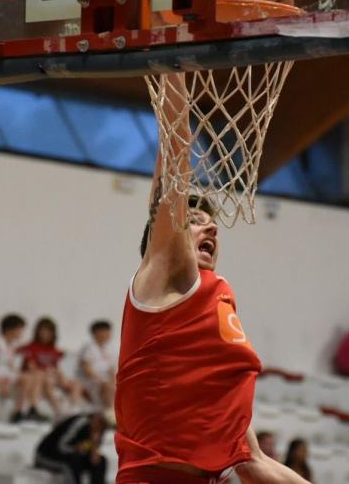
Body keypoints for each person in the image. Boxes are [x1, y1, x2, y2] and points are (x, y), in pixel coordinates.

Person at [115, 73, 309, 484]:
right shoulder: (163, 277)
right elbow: (175, 155)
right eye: (197, 221)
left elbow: (252, 460)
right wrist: (174, 64)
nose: (212, 229)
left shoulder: (216, 298)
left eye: (212, 223)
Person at [0, 313, 43, 423]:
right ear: (10, 329)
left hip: (8, 374)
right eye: (20, 330)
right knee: (26, 379)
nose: (21, 333)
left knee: (37, 375)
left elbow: (13, 365)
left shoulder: (14, 344)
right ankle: (18, 412)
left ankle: (32, 409)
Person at [21, 317, 84, 418]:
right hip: (40, 377)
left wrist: (60, 376)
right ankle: (58, 409)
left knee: (76, 384)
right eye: (43, 332)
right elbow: (31, 367)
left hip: (53, 376)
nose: (45, 335)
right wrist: (49, 372)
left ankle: (75, 409)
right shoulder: (31, 347)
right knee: (46, 379)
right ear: (37, 332)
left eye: (48, 332)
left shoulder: (54, 350)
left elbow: (57, 367)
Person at [35, 412, 108, 484]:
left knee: (101, 461)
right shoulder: (81, 422)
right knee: (72, 462)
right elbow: (61, 446)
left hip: (71, 455)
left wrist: (93, 450)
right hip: (47, 454)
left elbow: (92, 456)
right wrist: (76, 449)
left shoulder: (98, 430)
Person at [77, 320, 116, 410]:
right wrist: (101, 381)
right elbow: (87, 369)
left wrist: (114, 382)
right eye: (106, 331)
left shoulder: (108, 349)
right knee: (107, 386)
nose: (109, 334)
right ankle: (111, 410)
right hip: (90, 381)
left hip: (104, 381)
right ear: (98, 333)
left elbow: (111, 370)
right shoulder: (89, 348)